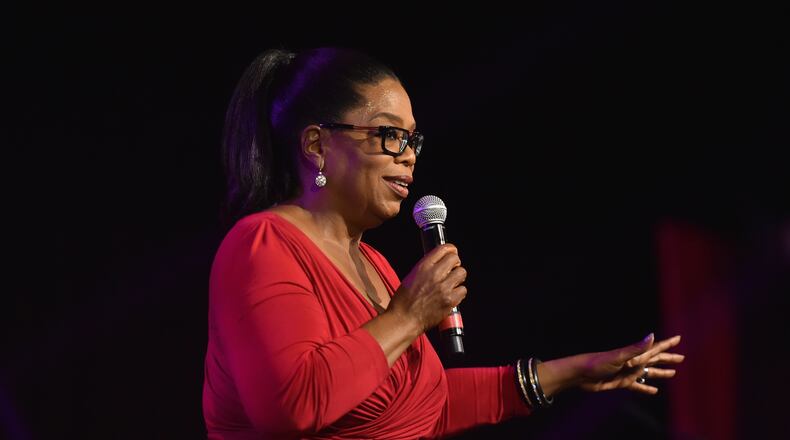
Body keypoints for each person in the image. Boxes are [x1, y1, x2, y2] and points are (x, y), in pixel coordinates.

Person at [201, 47, 685, 439]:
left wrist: (576, 370)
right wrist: (409, 316)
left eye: (413, 141)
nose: (409, 157)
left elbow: (425, 405)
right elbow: (293, 405)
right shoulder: (261, 246)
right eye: (390, 135)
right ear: (317, 145)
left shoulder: (373, 265)